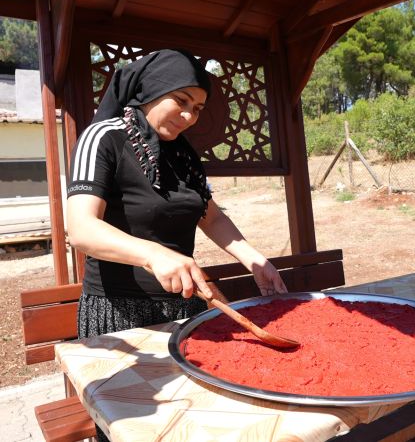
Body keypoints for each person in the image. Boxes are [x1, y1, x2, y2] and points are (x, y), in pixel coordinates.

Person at [66, 49, 288, 341]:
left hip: (185, 307)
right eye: (181, 100)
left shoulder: (184, 155)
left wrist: (257, 263)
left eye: (197, 108)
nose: (188, 116)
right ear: (151, 89)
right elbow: (81, 229)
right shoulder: (103, 138)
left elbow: (212, 218)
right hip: (119, 314)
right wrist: (153, 255)